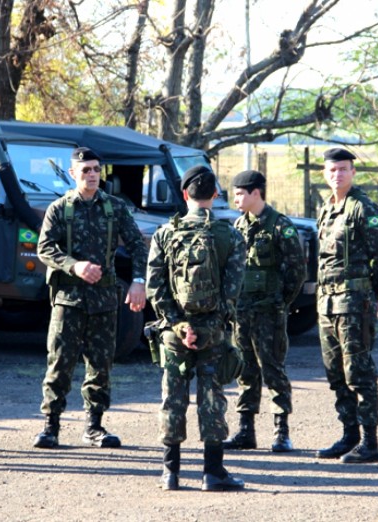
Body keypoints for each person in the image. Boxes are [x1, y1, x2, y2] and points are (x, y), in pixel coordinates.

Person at [33, 147, 148, 449]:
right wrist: (75, 266)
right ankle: (50, 426)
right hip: (68, 300)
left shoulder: (115, 208)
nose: (93, 174)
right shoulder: (59, 209)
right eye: (86, 170)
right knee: (59, 364)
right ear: (73, 174)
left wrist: (138, 282)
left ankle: (94, 426)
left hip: (104, 302)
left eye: (96, 169)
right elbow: (44, 249)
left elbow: (138, 245)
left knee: (101, 365)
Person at [146, 165, 246, 491]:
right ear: (215, 195)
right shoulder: (230, 236)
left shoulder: (164, 234)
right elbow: (232, 293)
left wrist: (178, 326)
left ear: (185, 194)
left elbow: (155, 288)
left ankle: (170, 472)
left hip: (176, 334)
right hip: (213, 332)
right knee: (212, 398)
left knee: (173, 398)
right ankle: (212, 472)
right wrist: (211, 327)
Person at [314, 148, 378, 464]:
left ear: (353, 172)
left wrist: (373, 292)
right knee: (335, 372)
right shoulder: (327, 209)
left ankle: (370, 443)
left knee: (358, 371)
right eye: (332, 170)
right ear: (325, 173)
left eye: (343, 169)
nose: (338, 175)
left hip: (353, 302)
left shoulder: (363, 208)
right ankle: (349, 436)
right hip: (327, 303)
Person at [223, 170, 306, 453]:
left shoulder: (280, 226)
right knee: (245, 370)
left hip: (269, 312)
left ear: (255, 193)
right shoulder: (239, 225)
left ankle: (281, 432)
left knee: (272, 369)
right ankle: (246, 430)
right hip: (243, 313)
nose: (235, 198)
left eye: (239, 193)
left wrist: (281, 302)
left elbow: (297, 270)